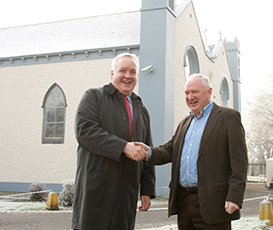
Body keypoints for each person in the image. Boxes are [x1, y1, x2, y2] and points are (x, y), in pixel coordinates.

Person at [140, 74, 248, 229]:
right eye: (186, 93)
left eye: (195, 92)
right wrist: (147, 152)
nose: (190, 97)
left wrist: (235, 197)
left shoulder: (228, 117)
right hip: (184, 202)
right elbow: (170, 150)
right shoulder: (185, 123)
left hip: (214, 204)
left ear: (209, 92)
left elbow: (240, 163)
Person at [72, 52, 156, 230]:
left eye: (133, 72)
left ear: (137, 77)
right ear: (112, 74)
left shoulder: (142, 111)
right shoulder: (94, 97)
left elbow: (147, 150)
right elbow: (85, 132)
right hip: (96, 192)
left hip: (126, 193)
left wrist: (147, 189)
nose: (128, 76)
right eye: (122, 70)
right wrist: (123, 147)